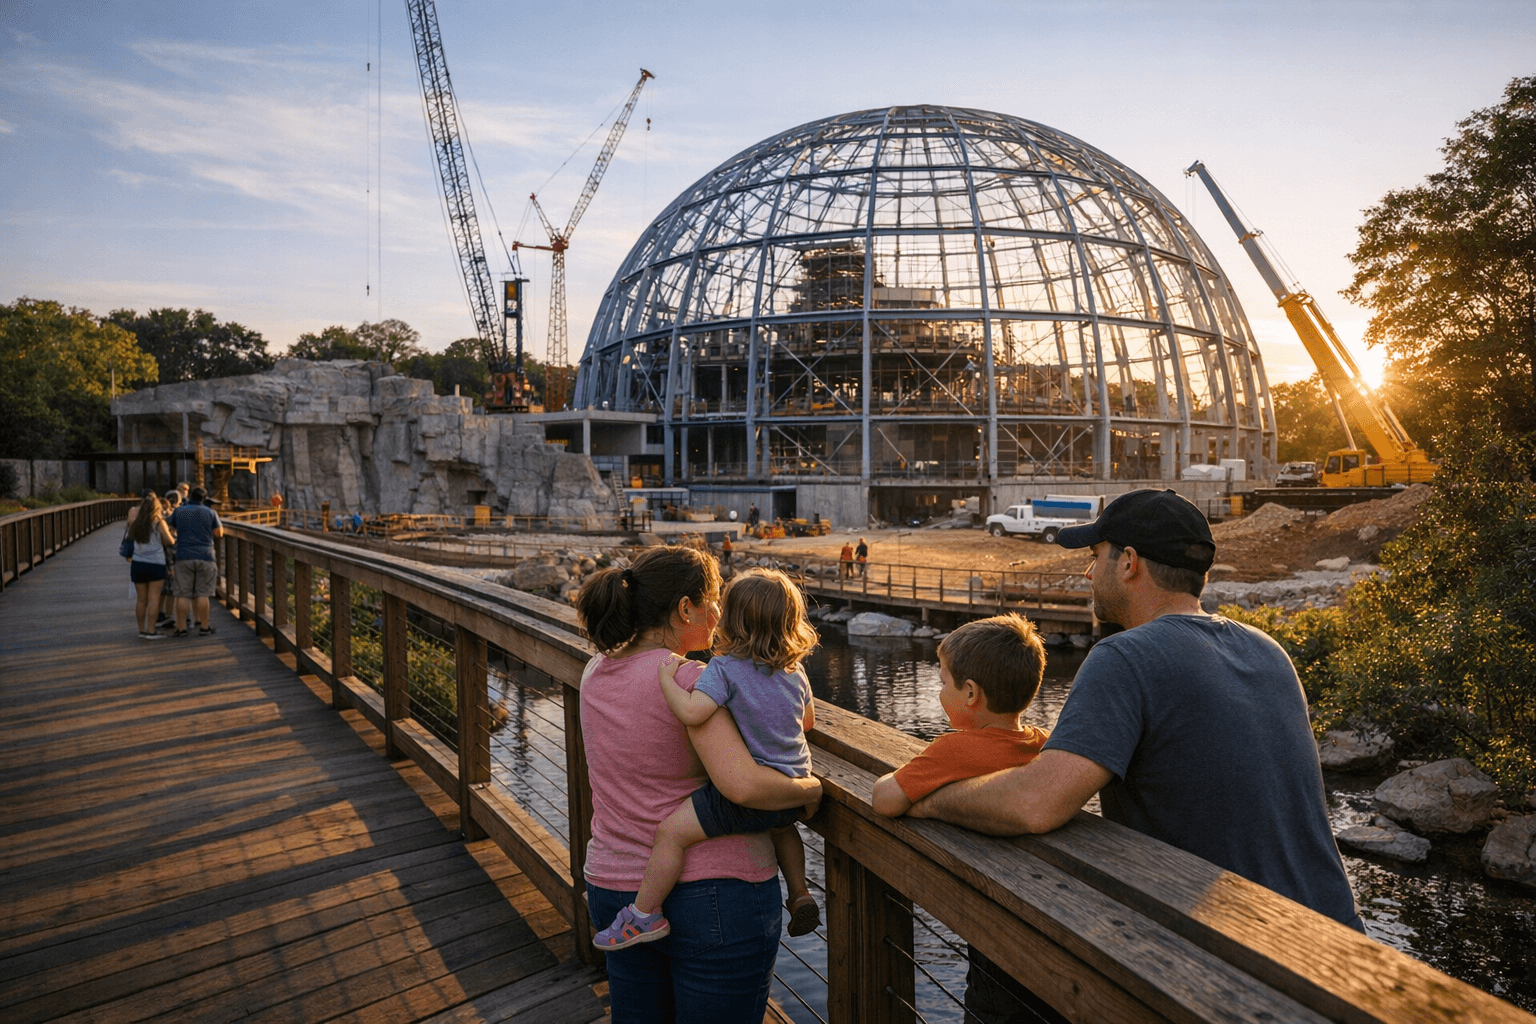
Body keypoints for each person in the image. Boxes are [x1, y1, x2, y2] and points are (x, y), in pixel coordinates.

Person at [905, 489, 1364, 931]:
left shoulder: (1125, 657)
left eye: (1095, 555)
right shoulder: (1268, 651)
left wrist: (929, 799)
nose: (1088, 572)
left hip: (1239, 957)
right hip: (1338, 943)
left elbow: (1036, 803)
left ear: (1128, 562)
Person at [575, 546, 821, 1021]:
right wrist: (811, 790)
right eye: (714, 599)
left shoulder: (595, 670)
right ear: (685, 608)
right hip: (712, 895)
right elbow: (744, 787)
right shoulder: (691, 679)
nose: (718, 614)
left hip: (614, 886)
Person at [872, 613, 1054, 1024]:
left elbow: (884, 799)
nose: (938, 691)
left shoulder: (953, 750)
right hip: (1045, 924)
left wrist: (918, 788)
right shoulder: (1045, 745)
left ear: (971, 693)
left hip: (992, 925)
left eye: (942, 681)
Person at [168, 486, 224, 637]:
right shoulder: (211, 512)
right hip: (205, 556)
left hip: (183, 555)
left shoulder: (179, 511)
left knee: (182, 594)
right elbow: (219, 533)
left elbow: (169, 527)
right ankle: (204, 627)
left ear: (190, 497)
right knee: (203, 593)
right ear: (204, 499)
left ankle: (181, 629)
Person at [124, 492, 176, 641]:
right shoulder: (158, 523)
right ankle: (151, 630)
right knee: (154, 599)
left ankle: (141, 630)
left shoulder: (135, 523)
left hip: (138, 564)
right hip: (155, 564)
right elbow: (169, 541)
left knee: (141, 600)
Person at [157, 490, 182, 629]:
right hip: (170, 553)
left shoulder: (155, 517)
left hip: (156, 555)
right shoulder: (174, 515)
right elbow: (171, 538)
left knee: (161, 588)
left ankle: (159, 613)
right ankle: (168, 615)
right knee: (171, 587)